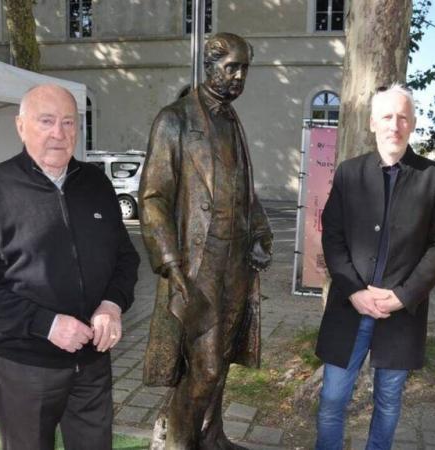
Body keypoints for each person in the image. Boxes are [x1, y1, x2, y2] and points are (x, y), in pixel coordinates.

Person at [0, 84, 140, 450]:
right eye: (47, 121)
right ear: (21, 126)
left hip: (92, 360)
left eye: (69, 122)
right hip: (25, 364)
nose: (60, 133)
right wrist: (47, 325)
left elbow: (126, 257)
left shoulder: (96, 183)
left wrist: (112, 305)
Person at [139, 33, 272, 449]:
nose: (237, 77)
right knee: (205, 367)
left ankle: (210, 435)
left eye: (244, 69)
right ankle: (179, 440)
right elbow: (153, 197)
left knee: (225, 356)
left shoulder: (232, 121)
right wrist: (169, 262)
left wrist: (261, 231)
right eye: (231, 67)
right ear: (210, 65)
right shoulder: (174, 120)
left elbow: (244, 193)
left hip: (235, 263)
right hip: (197, 266)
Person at [314, 84, 435, 449]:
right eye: (388, 116)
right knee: (332, 400)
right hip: (350, 307)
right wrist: (355, 291)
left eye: (403, 116)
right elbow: (332, 234)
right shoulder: (349, 173)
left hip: (400, 313)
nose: (395, 124)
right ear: (373, 122)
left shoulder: (434, 178)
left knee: (389, 401)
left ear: (413, 123)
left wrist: (403, 296)